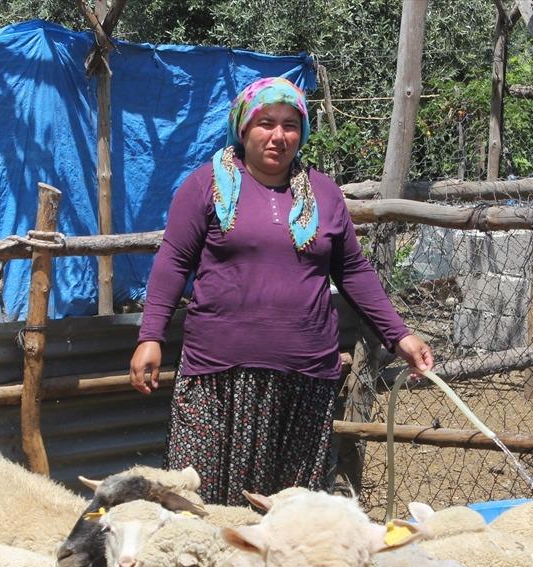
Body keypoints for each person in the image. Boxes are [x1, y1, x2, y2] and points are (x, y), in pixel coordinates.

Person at [129, 76, 432, 506]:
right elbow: (173, 261)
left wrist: (399, 334)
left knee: (288, 510)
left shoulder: (324, 193)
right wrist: (150, 337)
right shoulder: (205, 186)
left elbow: (353, 270)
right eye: (265, 122)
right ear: (243, 128)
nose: (278, 136)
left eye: (290, 125)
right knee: (202, 504)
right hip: (219, 376)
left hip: (304, 378)